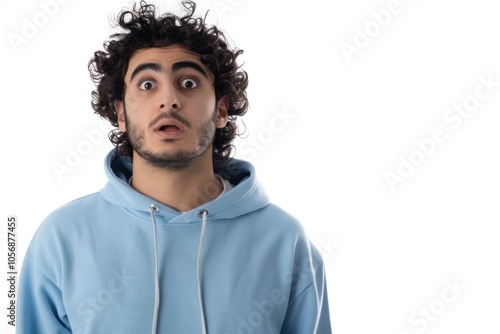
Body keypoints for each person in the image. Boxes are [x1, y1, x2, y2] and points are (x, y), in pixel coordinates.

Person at [17, 1, 332, 333]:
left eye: (189, 83)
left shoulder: (285, 241)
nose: (169, 99)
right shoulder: (61, 238)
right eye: (147, 84)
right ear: (121, 114)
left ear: (221, 110)